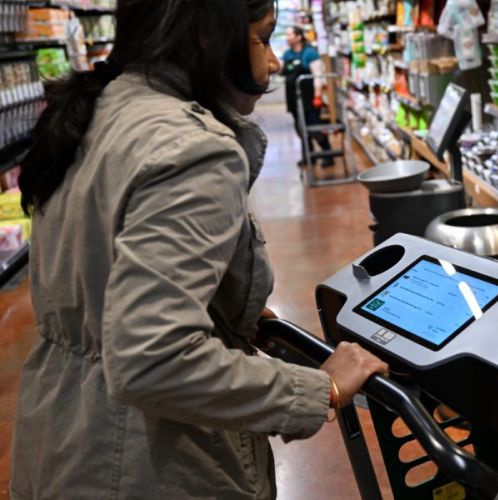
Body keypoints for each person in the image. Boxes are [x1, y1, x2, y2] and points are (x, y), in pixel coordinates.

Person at [10, 1, 389, 498]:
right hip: (146, 464)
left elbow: (104, 274)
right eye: (262, 37)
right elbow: (154, 360)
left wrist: (225, 312)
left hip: (62, 438)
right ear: (210, 37)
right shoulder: (192, 150)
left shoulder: (99, 110)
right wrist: (323, 389)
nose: (274, 62)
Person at [282, 25, 333, 168]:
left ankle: (327, 154)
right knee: (300, 127)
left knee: (314, 125)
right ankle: (309, 156)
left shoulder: (310, 53)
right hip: (293, 97)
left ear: (298, 37)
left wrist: (317, 96)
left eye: (290, 34)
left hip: (308, 97)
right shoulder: (287, 54)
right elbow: (282, 71)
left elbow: (317, 76)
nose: (287, 38)